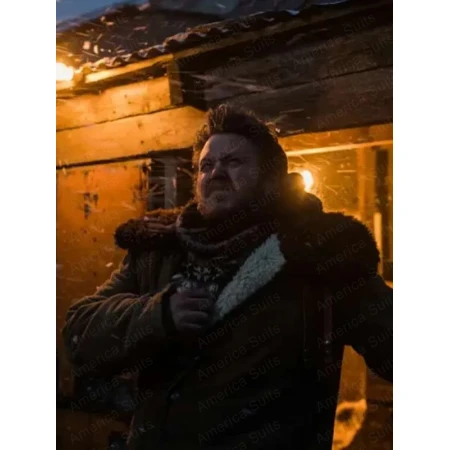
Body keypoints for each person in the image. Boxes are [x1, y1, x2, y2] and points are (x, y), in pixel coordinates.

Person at [63, 104, 393, 450]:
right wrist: (158, 315)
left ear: (270, 179)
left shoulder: (318, 252)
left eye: (233, 162)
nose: (216, 172)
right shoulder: (160, 250)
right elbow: (78, 334)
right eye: (207, 165)